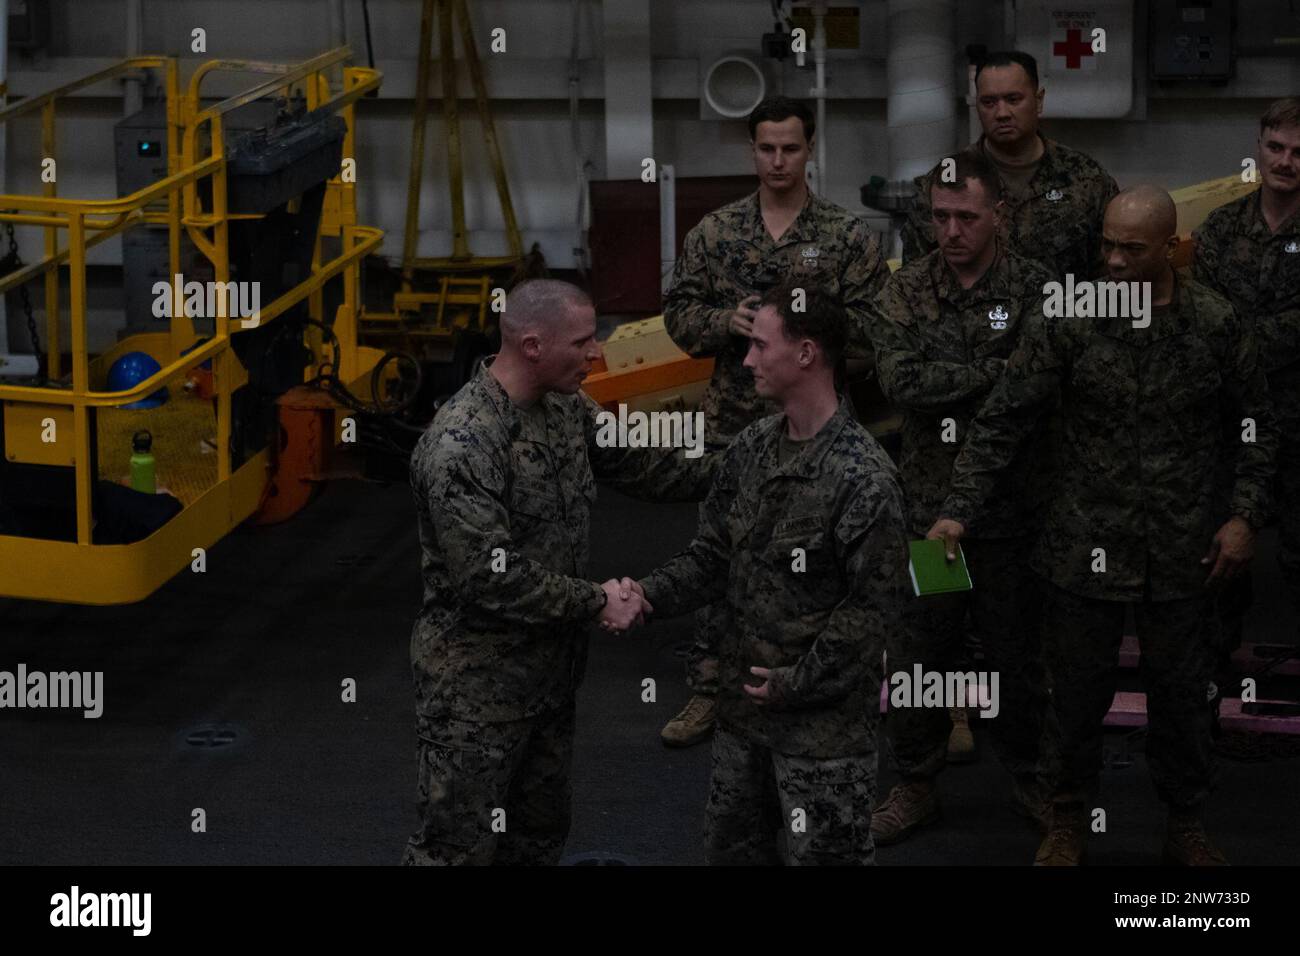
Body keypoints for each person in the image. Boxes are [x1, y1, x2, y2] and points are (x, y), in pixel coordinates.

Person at [930, 186, 1277, 866]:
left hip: (1185, 549)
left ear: (1170, 248)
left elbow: (1257, 426)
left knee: (1182, 697)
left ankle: (1185, 822)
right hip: (1083, 545)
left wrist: (1245, 516)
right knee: (1073, 697)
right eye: (1107, 246)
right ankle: (1064, 819)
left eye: (1131, 249)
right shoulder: (1072, 316)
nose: (1114, 261)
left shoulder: (1214, 322)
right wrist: (957, 508)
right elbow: (1005, 419)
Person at [402, 279, 713, 866]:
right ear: (532, 345)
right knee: (454, 849)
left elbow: (637, 461)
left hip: (550, 678)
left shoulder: (565, 405)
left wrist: (746, 462)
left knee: (538, 840)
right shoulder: (463, 441)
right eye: (583, 341)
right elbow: (490, 576)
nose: (597, 352)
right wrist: (598, 601)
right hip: (477, 693)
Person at [628, 281, 909, 865]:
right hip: (743, 716)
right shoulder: (754, 446)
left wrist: (793, 683)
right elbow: (712, 556)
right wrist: (642, 596)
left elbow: (869, 615)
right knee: (734, 853)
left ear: (805, 354)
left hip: (821, 733)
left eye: (760, 346)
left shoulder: (864, 477)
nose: (747, 360)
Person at [660, 95, 891, 748]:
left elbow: (877, 329)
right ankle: (710, 688)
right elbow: (679, 314)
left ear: (810, 148)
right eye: (767, 148)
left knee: (820, 561)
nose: (779, 160)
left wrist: (817, 335)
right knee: (721, 555)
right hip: (735, 425)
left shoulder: (846, 236)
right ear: (751, 150)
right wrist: (720, 322)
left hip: (819, 432)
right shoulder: (715, 232)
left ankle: (812, 684)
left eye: (791, 147)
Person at [870, 151, 1055, 845]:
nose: (950, 231)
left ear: (999, 214)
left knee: (1017, 657)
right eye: (940, 217)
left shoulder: (1037, 290)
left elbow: (1035, 392)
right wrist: (995, 371)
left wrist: (982, 378)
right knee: (921, 655)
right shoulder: (906, 290)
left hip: (1014, 516)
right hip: (929, 512)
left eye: (966, 217)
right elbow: (901, 384)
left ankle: (1031, 776)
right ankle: (915, 782)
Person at [1194, 97, 1300, 629]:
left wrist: (1243, 340)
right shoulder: (1221, 228)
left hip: (1297, 423)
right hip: (1231, 427)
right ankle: (1210, 697)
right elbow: (1205, 323)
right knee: (1219, 565)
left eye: (1298, 152)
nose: (1285, 162)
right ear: (1258, 150)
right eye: (1276, 148)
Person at [901, 50, 1118, 282]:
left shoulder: (1086, 179)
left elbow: (1112, 275)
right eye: (989, 102)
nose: (1002, 113)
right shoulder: (942, 184)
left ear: (1039, 100)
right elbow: (916, 281)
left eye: (1013, 100)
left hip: (1063, 313)